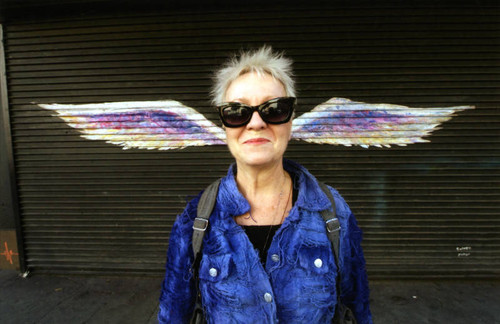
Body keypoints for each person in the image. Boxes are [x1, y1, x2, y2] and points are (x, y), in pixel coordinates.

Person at [158, 46, 372, 324]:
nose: (256, 123)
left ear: (291, 119)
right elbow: (173, 315)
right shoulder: (196, 219)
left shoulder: (333, 212)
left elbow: (358, 309)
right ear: (224, 124)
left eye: (274, 109)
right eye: (237, 111)